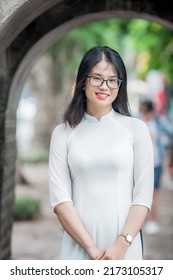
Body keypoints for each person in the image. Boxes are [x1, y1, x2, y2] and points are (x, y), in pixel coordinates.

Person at [49, 46, 154, 260]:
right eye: (96, 78)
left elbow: (143, 197)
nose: (104, 86)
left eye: (112, 80)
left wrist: (122, 245)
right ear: (82, 81)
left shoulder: (136, 130)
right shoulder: (63, 133)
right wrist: (92, 250)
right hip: (78, 244)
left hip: (124, 246)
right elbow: (60, 201)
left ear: (119, 85)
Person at [139, 99, 173, 234]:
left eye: (145, 112)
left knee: (155, 194)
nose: (143, 114)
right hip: (141, 163)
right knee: (141, 193)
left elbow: (171, 134)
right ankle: (141, 222)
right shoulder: (138, 121)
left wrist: (163, 144)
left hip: (156, 162)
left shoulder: (159, 122)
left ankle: (152, 221)